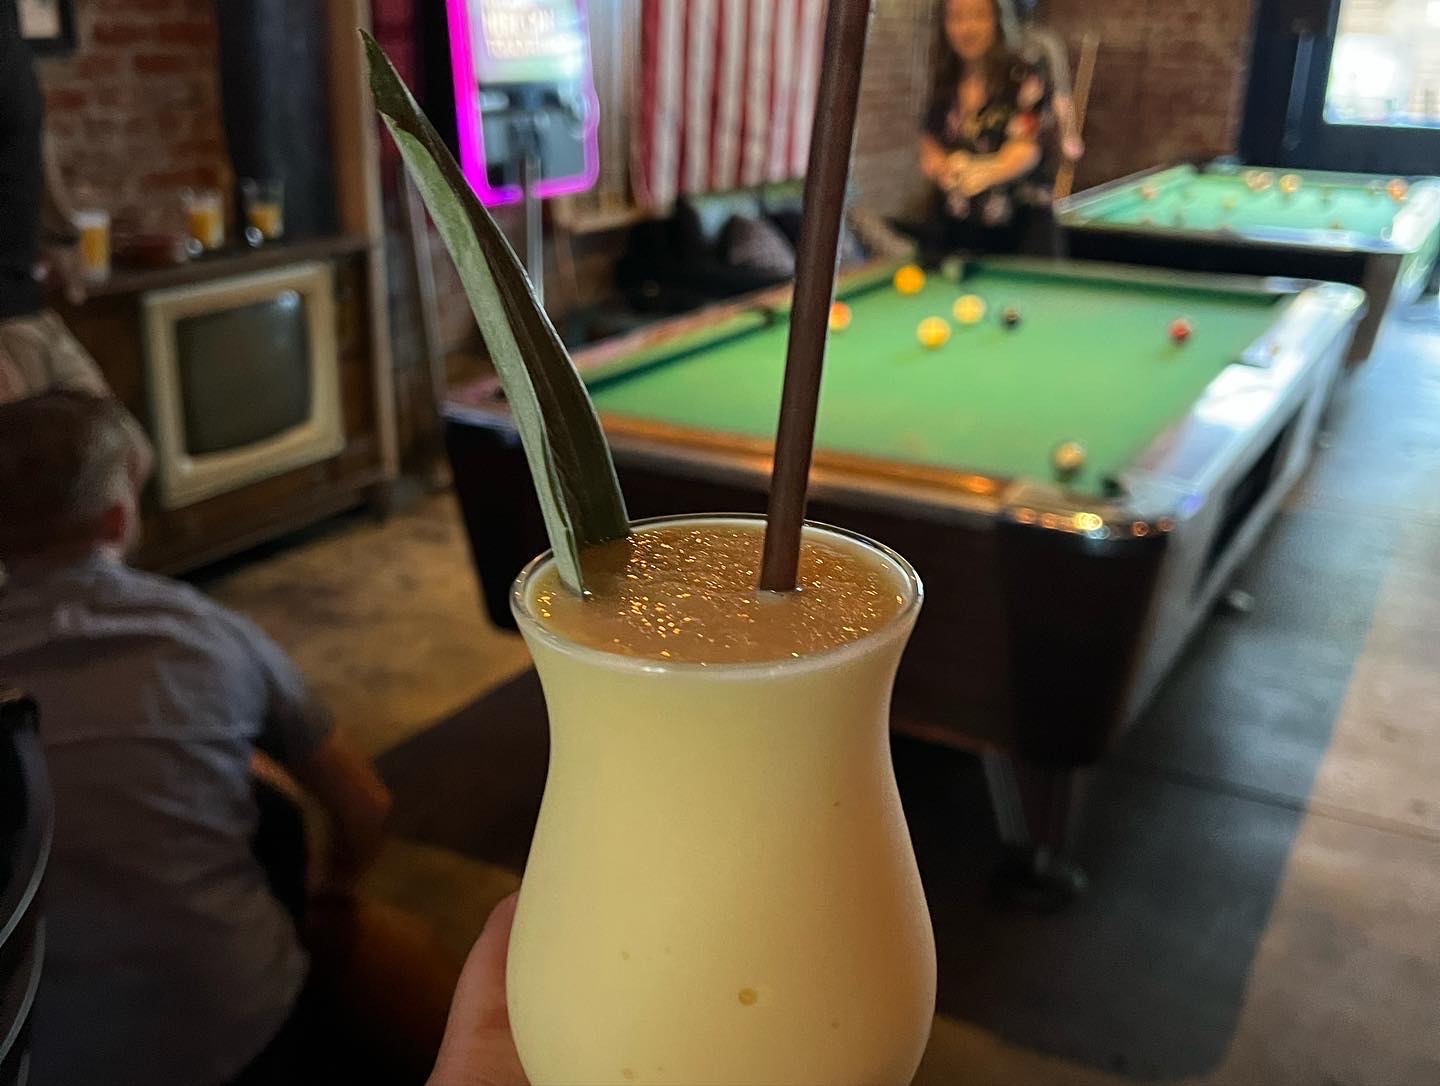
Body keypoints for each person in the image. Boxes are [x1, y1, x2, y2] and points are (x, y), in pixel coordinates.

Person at [0, 391, 415, 1085]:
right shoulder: (211, 634)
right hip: (247, 1030)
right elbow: (366, 806)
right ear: (119, 516)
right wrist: (334, 896)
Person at [0, 12, 152, 476]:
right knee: (65, 497)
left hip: (27, 305)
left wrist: (61, 234)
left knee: (129, 458)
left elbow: (29, 128)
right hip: (5, 323)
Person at [917, 0, 1055, 257]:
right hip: (957, 231)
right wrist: (945, 170)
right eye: (956, 18)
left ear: (998, 20)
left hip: (1021, 233)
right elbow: (930, 146)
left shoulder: (1024, 75)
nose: (967, 28)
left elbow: (1027, 148)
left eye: (979, 16)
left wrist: (982, 170)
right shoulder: (944, 78)